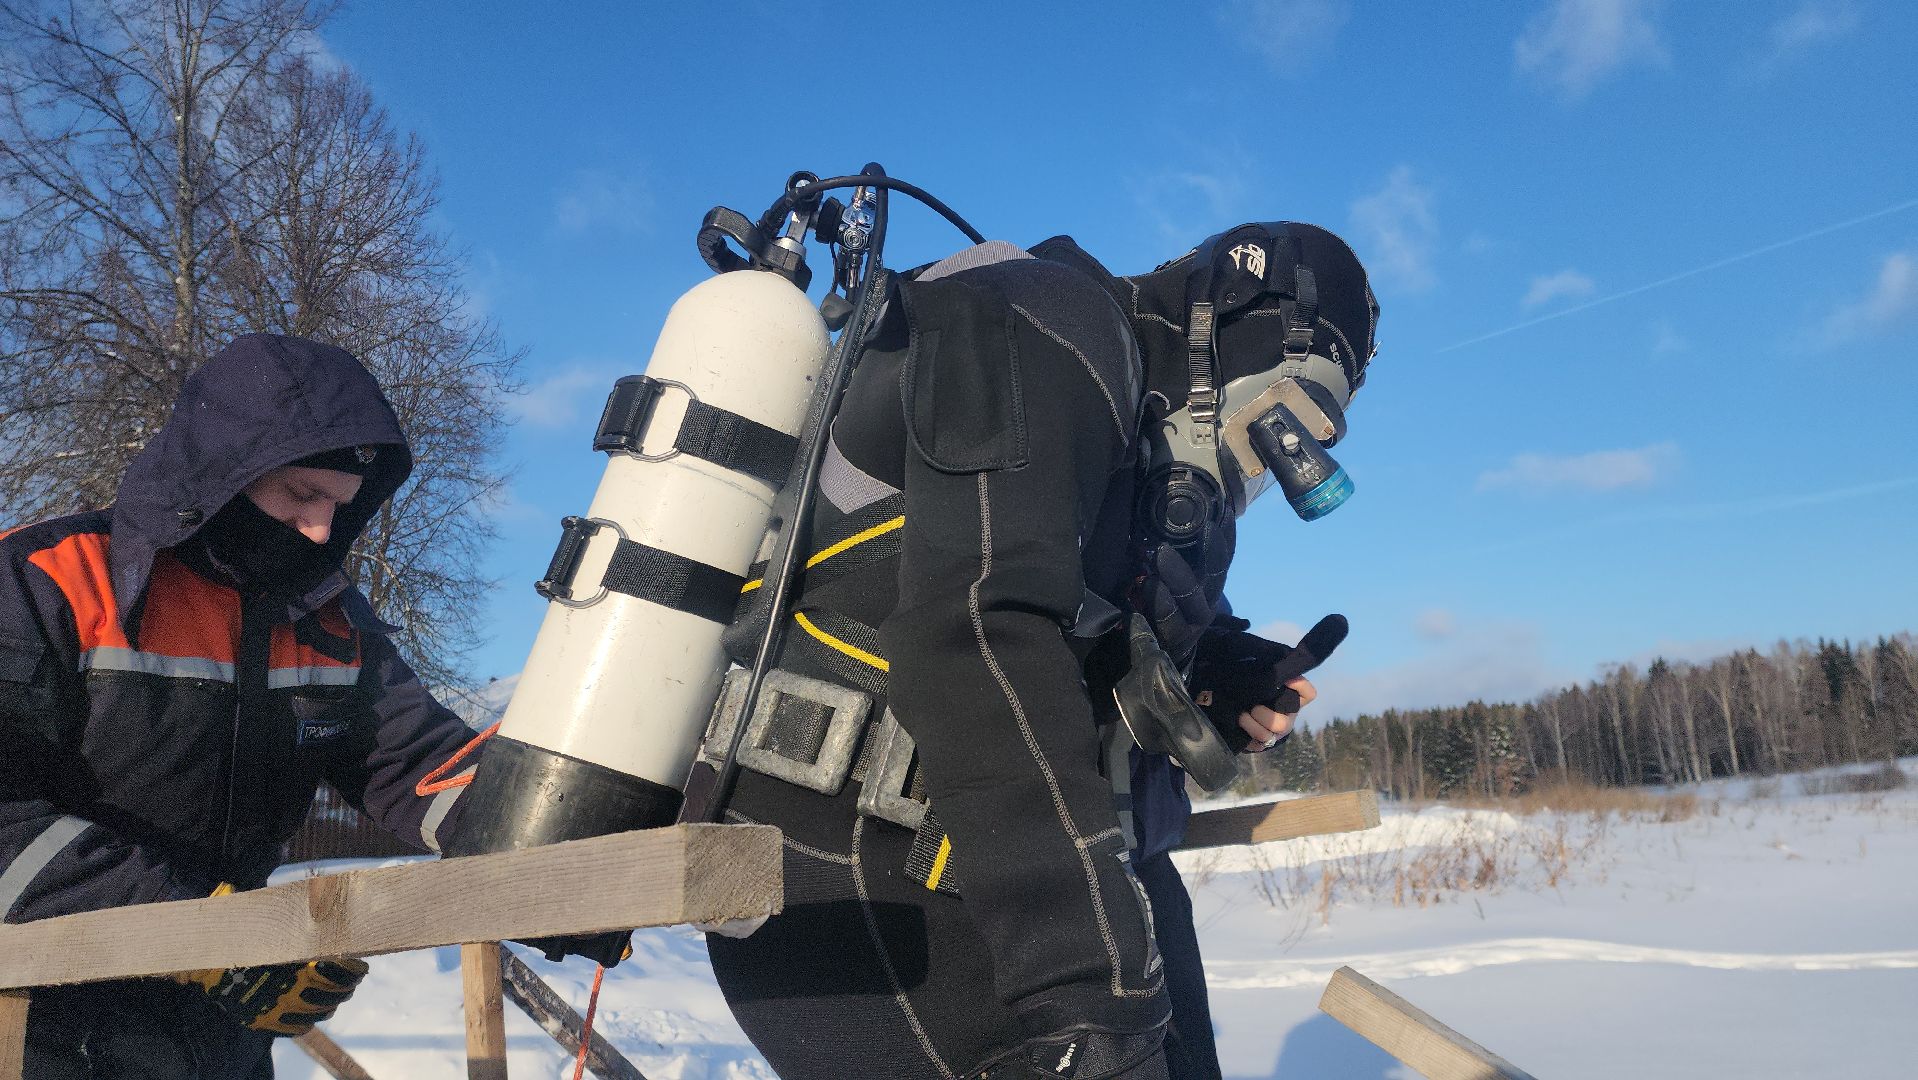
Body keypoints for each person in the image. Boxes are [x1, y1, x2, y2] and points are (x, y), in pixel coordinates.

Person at [706, 221, 1378, 1078]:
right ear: (1248, 323)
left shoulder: (1139, 447)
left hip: (1034, 858)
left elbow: (1084, 639)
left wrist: (1214, 677)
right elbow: (978, 636)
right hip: (862, 857)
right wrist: (1087, 983)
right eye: (1295, 406)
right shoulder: (1045, 323)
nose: (1271, 456)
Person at [0, 334, 488, 1078]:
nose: (323, 528)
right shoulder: (46, 581)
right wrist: (203, 932)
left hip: (216, 1041)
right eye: (302, 494)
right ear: (224, 474)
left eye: (341, 505)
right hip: (33, 1028)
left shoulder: (327, 620)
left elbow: (423, 765)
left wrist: (565, 838)